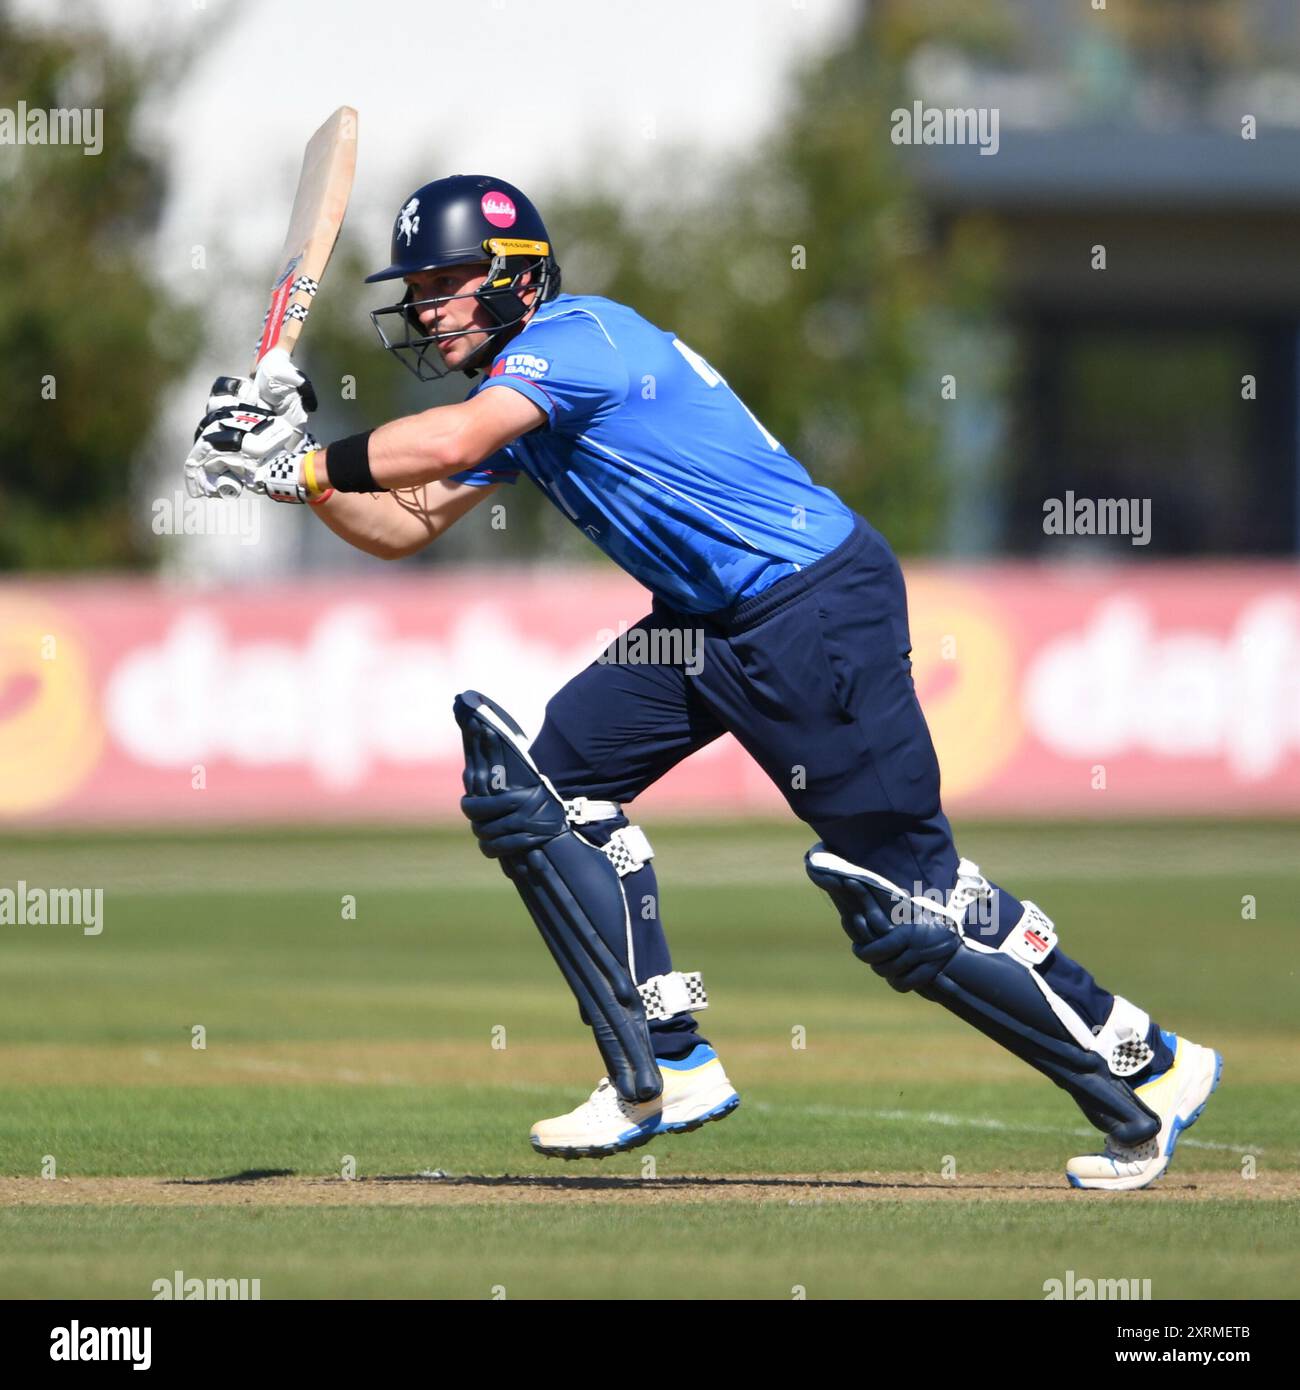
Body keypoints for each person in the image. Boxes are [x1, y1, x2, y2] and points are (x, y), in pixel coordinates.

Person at [185, 174, 1221, 1191]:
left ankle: (1144, 1078)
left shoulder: (576, 342)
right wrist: (283, 474)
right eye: (418, 287)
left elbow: (444, 443)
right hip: (704, 628)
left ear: (517, 278)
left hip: (810, 606)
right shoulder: (520, 393)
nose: (425, 306)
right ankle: (665, 1064)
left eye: (447, 280)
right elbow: (404, 524)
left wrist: (309, 460)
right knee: (537, 796)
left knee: (909, 906)